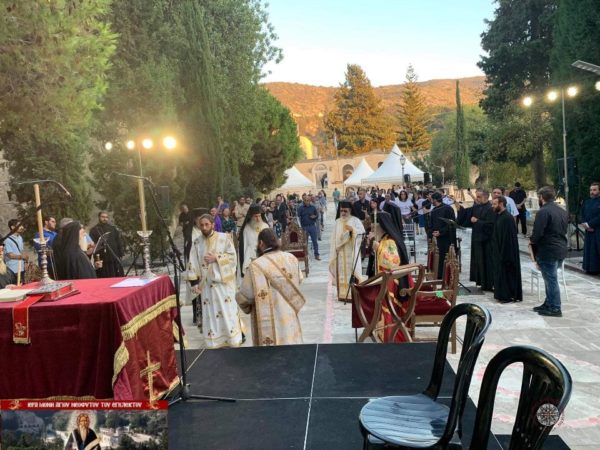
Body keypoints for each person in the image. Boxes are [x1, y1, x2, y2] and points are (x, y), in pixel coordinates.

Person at [236, 228, 306, 345]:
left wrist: (241, 302)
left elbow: (246, 296)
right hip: (289, 312)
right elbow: (300, 279)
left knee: (272, 349)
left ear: (261, 243)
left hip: (269, 319)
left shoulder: (256, 265)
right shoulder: (291, 258)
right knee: (291, 342)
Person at [189, 214, 242, 348]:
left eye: (207, 224)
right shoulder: (197, 242)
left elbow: (233, 258)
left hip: (223, 285)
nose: (204, 227)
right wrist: (194, 282)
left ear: (213, 224)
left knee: (227, 312)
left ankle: (232, 339)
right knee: (210, 314)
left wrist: (217, 258)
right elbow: (192, 262)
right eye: (201, 225)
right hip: (207, 286)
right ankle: (214, 341)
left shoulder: (224, 238)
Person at [530, 186, 568, 316]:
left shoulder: (543, 211)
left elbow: (538, 232)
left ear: (541, 197)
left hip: (548, 250)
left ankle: (555, 308)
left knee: (551, 280)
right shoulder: (562, 210)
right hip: (560, 248)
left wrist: (532, 241)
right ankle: (549, 303)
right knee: (549, 278)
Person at [458, 189, 495, 291]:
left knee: (486, 262)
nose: (477, 199)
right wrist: (459, 208)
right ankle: (481, 282)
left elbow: (491, 225)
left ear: (486, 197)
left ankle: (488, 284)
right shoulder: (477, 207)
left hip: (486, 241)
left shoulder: (490, 209)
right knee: (479, 262)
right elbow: (467, 217)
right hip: (477, 238)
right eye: (477, 196)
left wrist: (477, 221)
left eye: (479, 197)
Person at [329, 201, 365, 301]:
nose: (343, 213)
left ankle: (352, 295)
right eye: (341, 211)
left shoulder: (355, 220)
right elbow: (333, 238)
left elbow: (362, 233)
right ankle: (342, 295)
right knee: (341, 273)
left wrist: (353, 230)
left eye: (345, 211)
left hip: (351, 251)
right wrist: (334, 249)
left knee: (352, 271)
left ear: (350, 210)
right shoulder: (337, 222)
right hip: (340, 253)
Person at [491, 196, 522, 303]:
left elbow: (508, 239)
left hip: (506, 252)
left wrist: (503, 254)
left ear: (501, 204)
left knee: (506, 274)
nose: (492, 206)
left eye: (494, 204)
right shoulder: (498, 216)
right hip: (499, 251)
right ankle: (501, 294)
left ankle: (507, 295)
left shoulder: (507, 218)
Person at [428, 192, 456, 279]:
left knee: (444, 257)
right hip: (436, 239)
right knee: (437, 257)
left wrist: (441, 232)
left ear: (435, 200)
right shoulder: (434, 210)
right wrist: (432, 232)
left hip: (446, 239)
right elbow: (430, 223)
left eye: (431, 199)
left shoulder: (448, 209)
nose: (431, 201)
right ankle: (437, 275)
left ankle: (445, 276)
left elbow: (451, 224)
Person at [89, 211, 124, 278]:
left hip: (114, 256)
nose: (105, 219)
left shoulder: (113, 228)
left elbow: (118, 241)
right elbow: (93, 244)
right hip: (102, 258)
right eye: (103, 217)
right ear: (99, 217)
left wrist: (120, 253)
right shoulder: (94, 230)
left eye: (106, 217)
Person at [239, 204, 269, 275]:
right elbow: (244, 246)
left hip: (264, 254)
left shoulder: (265, 226)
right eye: (255, 216)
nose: (258, 219)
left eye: (259, 216)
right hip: (250, 256)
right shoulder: (247, 228)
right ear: (251, 216)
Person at [582, 182, 600, 275]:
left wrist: (590, 224)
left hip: (598, 230)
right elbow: (582, 214)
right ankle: (589, 268)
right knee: (589, 250)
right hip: (588, 230)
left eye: (594, 190)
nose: (592, 192)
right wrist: (586, 225)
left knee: (597, 249)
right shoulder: (587, 202)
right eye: (591, 190)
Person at [296, 194, 320, 260]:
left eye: (308, 200)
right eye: (306, 200)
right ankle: (305, 255)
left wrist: (314, 217)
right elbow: (298, 217)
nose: (307, 202)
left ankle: (316, 255)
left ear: (310, 201)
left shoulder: (313, 207)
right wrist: (299, 226)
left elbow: (317, 215)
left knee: (315, 241)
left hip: (312, 226)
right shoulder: (300, 208)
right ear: (303, 201)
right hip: (304, 227)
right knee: (305, 242)